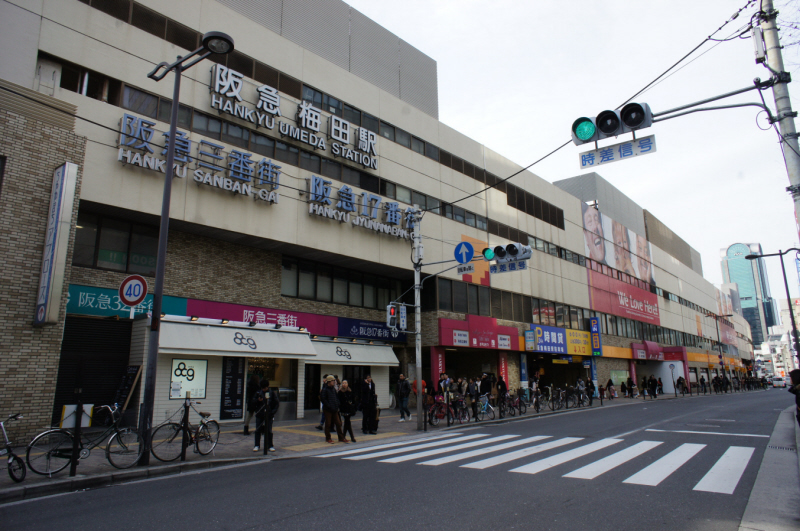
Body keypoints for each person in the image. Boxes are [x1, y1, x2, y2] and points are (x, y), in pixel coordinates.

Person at [252, 379, 279, 452]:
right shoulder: (258, 393)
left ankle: (270, 445)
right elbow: (253, 402)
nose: (264, 389)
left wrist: (272, 412)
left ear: (268, 387)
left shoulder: (272, 393)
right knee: (258, 430)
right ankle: (256, 445)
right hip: (260, 414)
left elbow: (276, 404)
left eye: (265, 388)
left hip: (269, 414)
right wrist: (258, 400)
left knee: (269, 430)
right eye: (262, 388)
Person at [320, 375, 348, 444]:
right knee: (328, 424)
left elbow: (336, 398)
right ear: (329, 381)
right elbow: (323, 399)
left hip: (335, 409)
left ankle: (341, 437)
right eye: (333, 381)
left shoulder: (333, 389)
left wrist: (337, 404)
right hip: (328, 409)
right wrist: (329, 406)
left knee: (338, 423)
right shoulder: (325, 389)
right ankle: (328, 438)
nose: (334, 382)